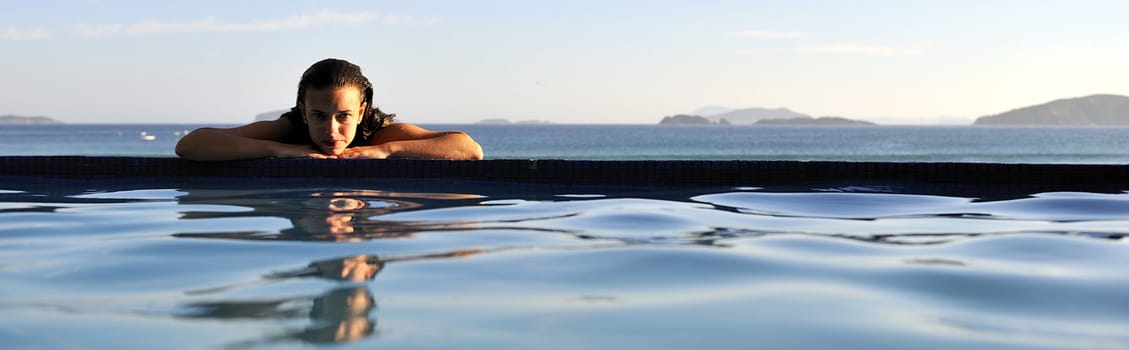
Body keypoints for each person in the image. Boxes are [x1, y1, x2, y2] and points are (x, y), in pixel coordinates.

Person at [176, 58, 483, 161]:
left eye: (343, 116)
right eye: (319, 116)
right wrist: (279, 149)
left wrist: (386, 151)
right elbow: (190, 145)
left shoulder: (376, 133)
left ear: (361, 113)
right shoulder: (290, 130)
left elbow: (469, 149)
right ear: (304, 111)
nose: (331, 130)